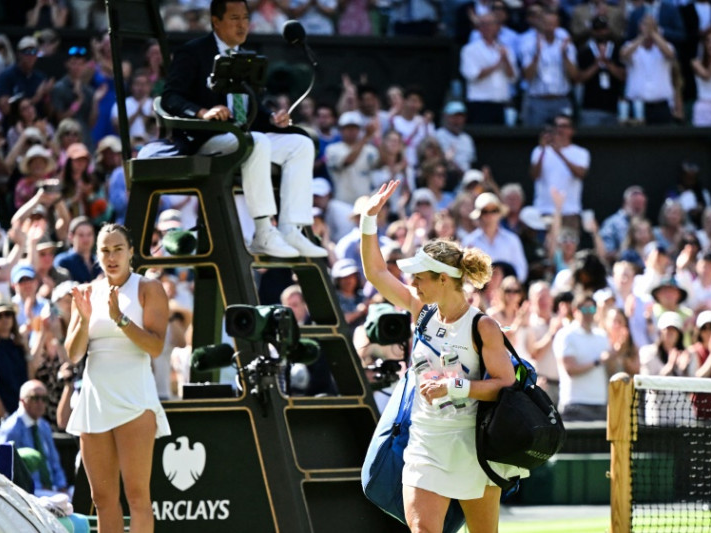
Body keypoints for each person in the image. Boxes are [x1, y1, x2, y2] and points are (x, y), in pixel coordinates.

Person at [360, 180, 520, 532]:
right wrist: (368, 221)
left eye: (420, 278)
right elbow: (376, 273)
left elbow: (504, 385)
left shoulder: (484, 327)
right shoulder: (422, 310)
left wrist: (457, 386)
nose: (413, 284)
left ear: (444, 280)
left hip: (474, 448)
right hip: (424, 446)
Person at [160, 0, 326, 258]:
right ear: (216, 21)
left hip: (244, 137)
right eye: (234, 18)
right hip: (206, 140)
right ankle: (263, 232)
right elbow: (170, 97)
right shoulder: (193, 52)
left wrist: (272, 117)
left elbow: (253, 109)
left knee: (300, 145)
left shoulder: (247, 56)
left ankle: (291, 227)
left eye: (246, 18)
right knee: (256, 142)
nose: (242, 25)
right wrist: (203, 113)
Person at [64, 223, 171, 532]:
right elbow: (73, 354)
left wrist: (120, 319)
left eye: (118, 249)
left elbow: (154, 346)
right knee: (102, 499)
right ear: (97, 255)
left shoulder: (149, 289)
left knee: (138, 497)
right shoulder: (85, 292)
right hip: (94, 400)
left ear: (131, 252)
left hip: (134, 400)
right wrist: (84, 320)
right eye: (105, 251)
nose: (111, 257)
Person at [0, 379, 68, 493]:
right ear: (23, 401)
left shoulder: (44, 426)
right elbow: (2, 468)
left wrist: (62, 485)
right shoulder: (10, 429)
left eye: (44, 399)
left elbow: (54, 461)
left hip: (54, 489)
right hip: (28, 492)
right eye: (35, 398)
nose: (40, 403)